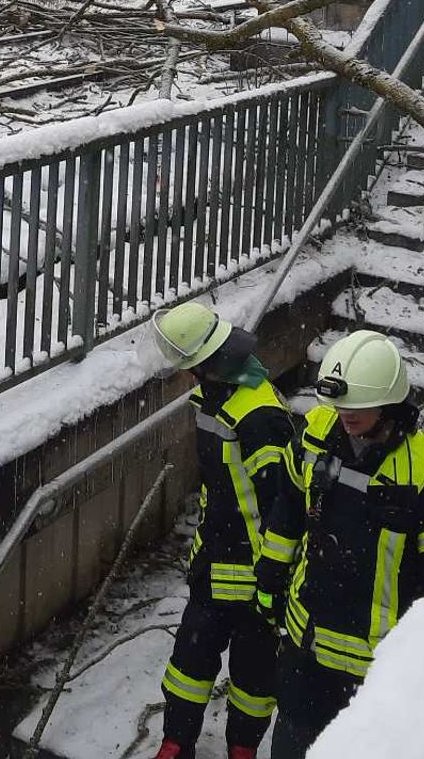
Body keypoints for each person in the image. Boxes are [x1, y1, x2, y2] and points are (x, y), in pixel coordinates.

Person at [252, 331, 424, 759]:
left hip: (378, 668)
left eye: (358, 407)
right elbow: (288, 511)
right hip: (306, 647)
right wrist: (271, 577)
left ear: (390, 402)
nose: (346, 416)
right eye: (340, 406)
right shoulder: (315, 436)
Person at [151, 302, 296, 759]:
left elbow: (283, 506)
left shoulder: (259, 416)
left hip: (255, 572)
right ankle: (177, 742)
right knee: (188, 667)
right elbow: (220, 486)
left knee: (254, 677)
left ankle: (242, 750)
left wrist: (273, 578)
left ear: (204, 363)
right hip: (215, 560)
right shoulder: (215, 394)